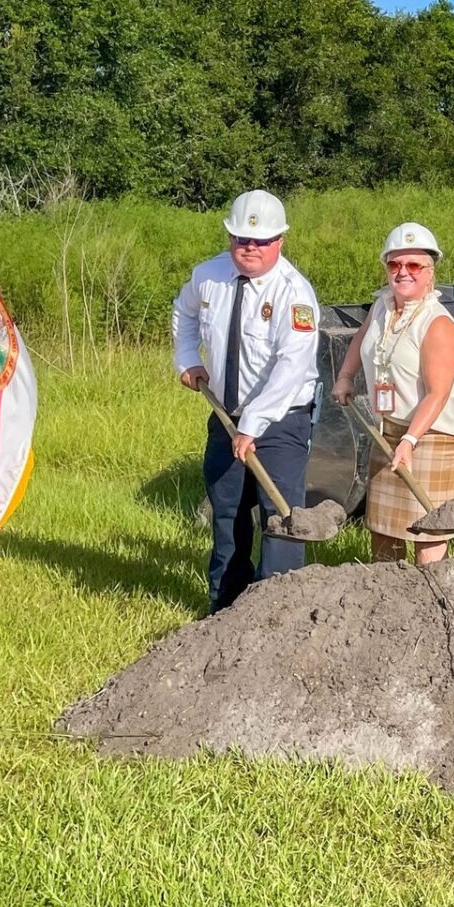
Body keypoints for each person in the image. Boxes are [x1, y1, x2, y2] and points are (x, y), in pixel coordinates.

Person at [171, 189, 321, 612]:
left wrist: (254, 423)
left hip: (280, 423)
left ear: (280, 241)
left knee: (281, 522)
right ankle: (224, 611)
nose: (249, 248)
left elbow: (293, 368)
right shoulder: (208, 276)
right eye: (240, 239)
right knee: (227, 515)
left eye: (260, 241)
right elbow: (183, 314)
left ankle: (277, 614)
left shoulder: (294, 294)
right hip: (225, 415)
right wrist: (186, 359)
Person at [332, 222, 454, 565]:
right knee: (383, 528)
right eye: (395, 265)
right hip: (390, 428)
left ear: (430, 272)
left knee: (427, 532)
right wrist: (346, 377)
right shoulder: (383, 306)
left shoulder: (437, 324)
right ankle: (390, 604)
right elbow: (359, 338)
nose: (403, 272)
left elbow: (437, 395)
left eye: (413, 266)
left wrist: (410, 440)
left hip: (434, 436)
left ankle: (432, 603)